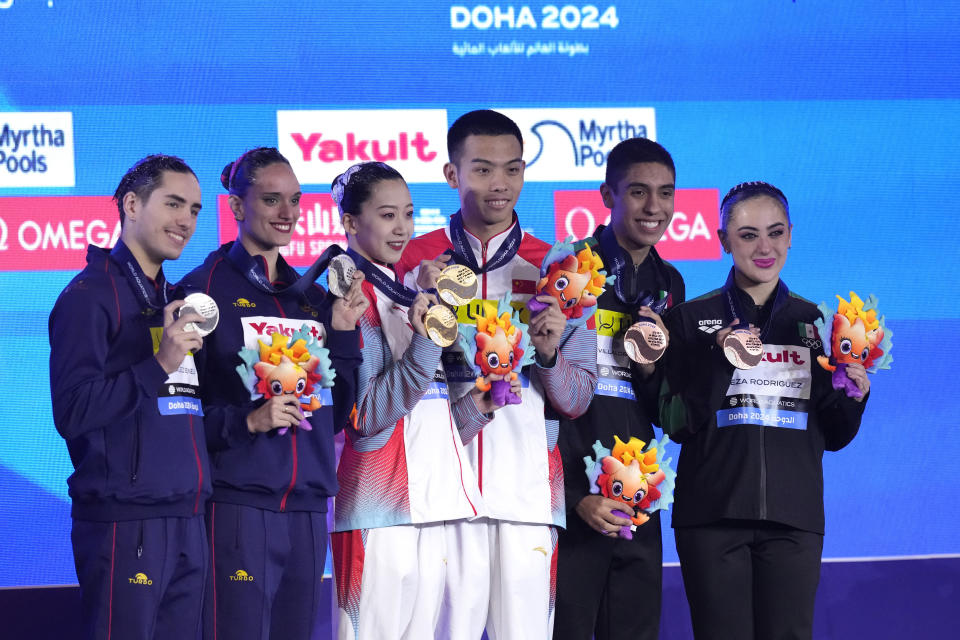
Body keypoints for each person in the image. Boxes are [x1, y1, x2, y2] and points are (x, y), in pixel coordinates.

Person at [396, 109, 598, 639]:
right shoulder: (413, 260)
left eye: (511, 169)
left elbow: (577, 399)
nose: (499, 184)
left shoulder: (560, 267)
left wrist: (550, 353)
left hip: (527, 491)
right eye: (482, 169)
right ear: (451, 174)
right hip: (435, 490)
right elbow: (392, 379)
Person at [660, 181, 870, 640]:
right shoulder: (690, 321)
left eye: (775, 233)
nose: (765, 247)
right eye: (748, 234)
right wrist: (719, 360)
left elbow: (834, 436)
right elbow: (675, 424)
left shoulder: (817, 324)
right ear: (722, 240)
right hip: (711, 519)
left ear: (791, 235)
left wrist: (854, 396)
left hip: (793, 521)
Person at [178, 147, 367, 640]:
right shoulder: (203, 291)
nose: (287, 214)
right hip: (238, 506)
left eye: (295, 201)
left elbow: (339, 409)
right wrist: (247, 421)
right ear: (238, 207)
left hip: (306, 508)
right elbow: (175, 413)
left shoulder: (312, 297)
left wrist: (343, 331)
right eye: (271, 200)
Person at [328, 161, 517, 639]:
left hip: (440, 503)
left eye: (408, 215)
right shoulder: (349, 293)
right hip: (380, 507)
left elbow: (441, 420)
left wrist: (483, 404)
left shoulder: (410, 291)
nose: (402, 229)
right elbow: (366, 414)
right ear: (351, 222)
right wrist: (429, 333)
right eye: (387, 215)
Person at [49, 154, 210, 639]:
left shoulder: (174, 300)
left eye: (196, 209)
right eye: (174, 203)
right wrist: (159, 362)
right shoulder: (88, 295)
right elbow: (73, 412)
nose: (186, 220)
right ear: (132, 204)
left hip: (188, 517)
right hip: (126, 521)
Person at [554, 138, 684, 640]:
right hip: (574, 495)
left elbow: (657, 406)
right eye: (638, 192)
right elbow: (541, 383)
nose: (654, 207)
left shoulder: (670, 283)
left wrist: (651, 367)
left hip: (636, 490)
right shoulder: (572, 265)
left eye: (665, 193)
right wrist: (569, 495)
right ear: (608, 194)